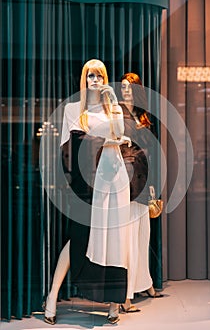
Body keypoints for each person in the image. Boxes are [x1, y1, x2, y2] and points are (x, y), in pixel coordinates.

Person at [43, 59, 131, 325]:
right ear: (84, 78)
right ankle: (52, 297)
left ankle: (114, 303)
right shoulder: (73, 109)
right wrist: (109, 140)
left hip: (114, 178)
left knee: (115, 237)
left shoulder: (113, 108)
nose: (95, 79)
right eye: (90, 75)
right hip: (87, 182)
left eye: (100, 75)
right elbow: (72, 143)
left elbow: (120, 131)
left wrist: (112, 99)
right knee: (79, 237)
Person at [118, 72, 163, 313]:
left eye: (130, 87)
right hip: (126, 179)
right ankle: (125, 296)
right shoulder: (117, 113)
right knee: (128, 239)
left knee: (142, 235)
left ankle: (145, 282)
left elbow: (152, 151)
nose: (125, 90)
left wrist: (153, 184)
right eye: (123, 86)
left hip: (143, 178)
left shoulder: (144, 116)